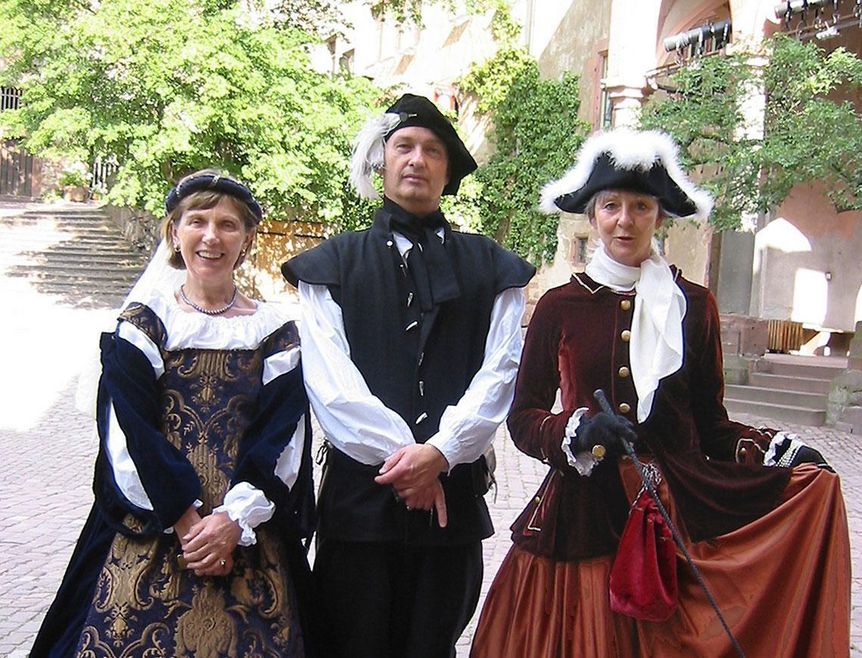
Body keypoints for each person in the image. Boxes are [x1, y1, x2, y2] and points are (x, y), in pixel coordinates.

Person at [470, 128, 851, 657]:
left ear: (660, 216)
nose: (625, 220)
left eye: (640, 206)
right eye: (611, 206)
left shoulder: (695, 304)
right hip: (585, 515)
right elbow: (524, 417)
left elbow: (711, 424)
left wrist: (775, 450)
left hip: (680, 503)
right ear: (592, 215)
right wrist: (575, 429)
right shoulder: (559, 305)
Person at [281, 93, 535, 658]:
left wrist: (441, 453)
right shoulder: (333, 265)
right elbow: (330, 384)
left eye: (432, 150)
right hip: (360, 504)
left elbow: (500, 375)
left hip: (453, 502)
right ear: (382, 162)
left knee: (433, 644)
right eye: (404, 147)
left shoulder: (494, 268)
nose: (417, 159)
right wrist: (410, 461)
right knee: (351, 643)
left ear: (449, 170)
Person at [31, 170, 316, 658]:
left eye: (228, 224)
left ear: (247, 239)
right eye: (197, 221)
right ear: (174, 231)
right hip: (154, 525)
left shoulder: (276, 330)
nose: (211, 236)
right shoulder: (144, 323)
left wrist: (231, 521)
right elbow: (128, 432)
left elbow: (282, 437)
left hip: (245, 530)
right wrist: (186, 524)